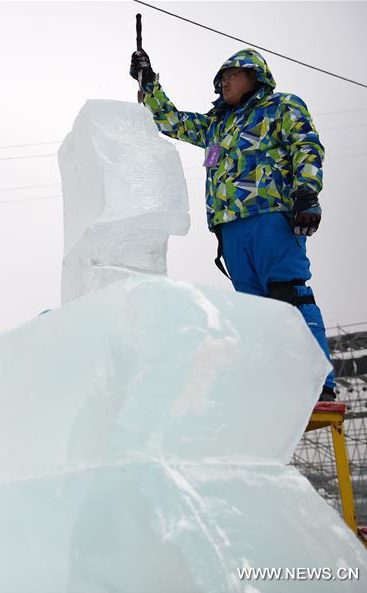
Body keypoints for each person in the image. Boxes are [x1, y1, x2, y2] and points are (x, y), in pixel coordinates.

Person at [130, 47, 335, 402]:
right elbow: (170, 121)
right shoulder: (216, 124)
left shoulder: (281, 106)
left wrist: (306, 192)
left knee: (288, 293)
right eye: (220, 79)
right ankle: (273, 389)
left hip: (271, 215)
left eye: (230, 75)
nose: (223, 83)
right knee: (255, 313)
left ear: (254, 76)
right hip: (230, 227)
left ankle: (319, 383)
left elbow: (306, 145)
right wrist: (148, 82)